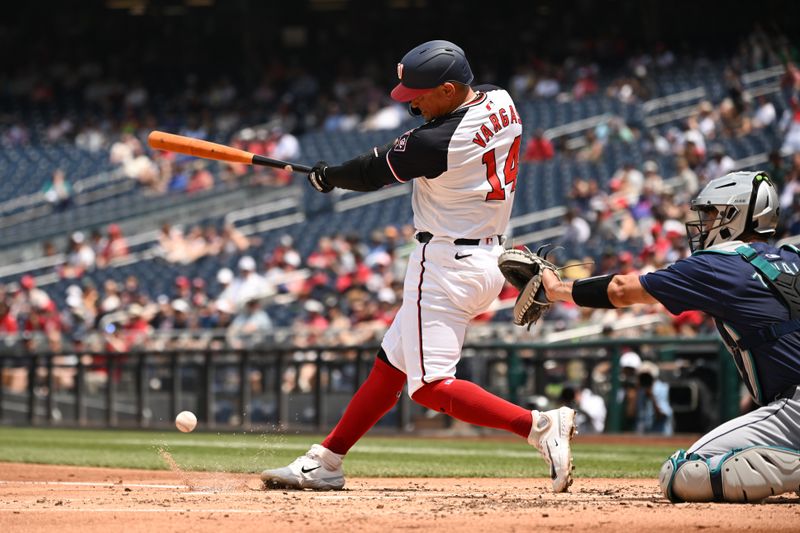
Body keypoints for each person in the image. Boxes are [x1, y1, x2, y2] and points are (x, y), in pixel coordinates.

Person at [261, 40, 576, 493]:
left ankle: (537, 425)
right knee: (390, 367)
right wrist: (335, 172)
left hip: (447, 264)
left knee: (429, 387)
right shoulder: (500, 99)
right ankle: (327, 460)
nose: (413, 103)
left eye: (420, 94)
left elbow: (371, 172)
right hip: (489, 258)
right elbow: (395, 151)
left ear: (449, 89)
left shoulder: (440, 140)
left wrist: (327, 176)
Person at [540, 171, 799, 503]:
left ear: (734, 216)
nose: (703, 224)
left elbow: (621, 290)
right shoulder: (793, 256)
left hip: (795, 408)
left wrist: (555, 288)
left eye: (710, 214)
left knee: (682, 473)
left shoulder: (720, 264)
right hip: (789, 403)